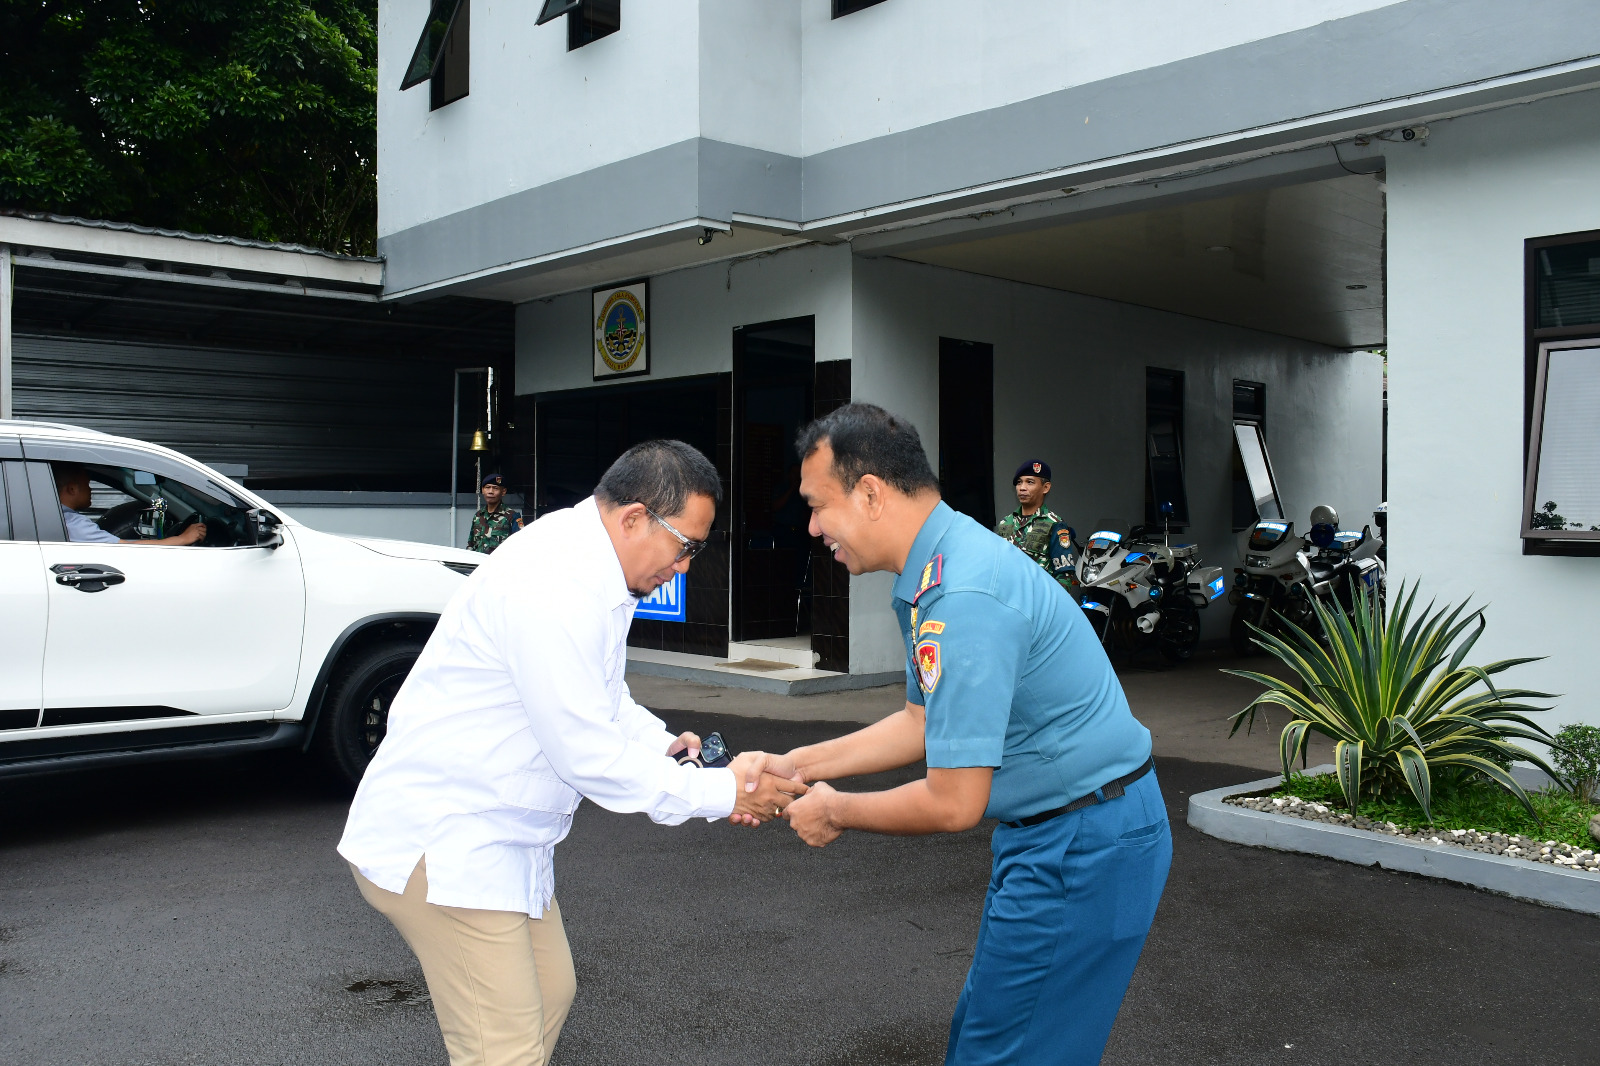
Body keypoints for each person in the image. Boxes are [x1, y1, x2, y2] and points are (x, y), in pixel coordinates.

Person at [338, 439, 804, 1066]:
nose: (685, 567)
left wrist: (664, 744)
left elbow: (601, 696)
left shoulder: (592, 566)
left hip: (500, 836)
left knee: (551, 993)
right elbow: (587, 754)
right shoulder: (555, 583)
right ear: (634, 518)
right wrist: (726, 792)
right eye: (685, 547)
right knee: (504, 1047)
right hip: (447, 840)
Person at [779, 404, 1170, 1066]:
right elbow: (921, 723)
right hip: (1063, 832)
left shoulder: (963, 594)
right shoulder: (939, 567)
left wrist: (835, 811)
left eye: (818, 506)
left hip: (1083, 843)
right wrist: (799, 763)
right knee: (990, 1040)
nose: (813, 527)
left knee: (1004, 1052)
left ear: (870, 493)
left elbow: (954, 801)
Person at [54, 463, 206, 545]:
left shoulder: (61, 518)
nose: (90, 489)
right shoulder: (72, 524)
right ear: (72, 489)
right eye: (87, 484)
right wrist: (182, 539)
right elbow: (126, 548)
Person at [996, 459, 1076, 592]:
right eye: (1019, 482)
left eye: (1030, 482)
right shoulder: (1006, 523)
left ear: (1046, 487)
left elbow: (1064, 575)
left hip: (1037, 598)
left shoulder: (1055, 524)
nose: (1022, 488)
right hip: (1008, 597)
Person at [467, 473, 523, 554]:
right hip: (479, 561)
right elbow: (471, 544)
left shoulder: (512, 516)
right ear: (482, 490)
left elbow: (520, 545)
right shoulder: (478, 516)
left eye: (495, 488)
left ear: (503, 492)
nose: (491, 492)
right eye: (487, 487)